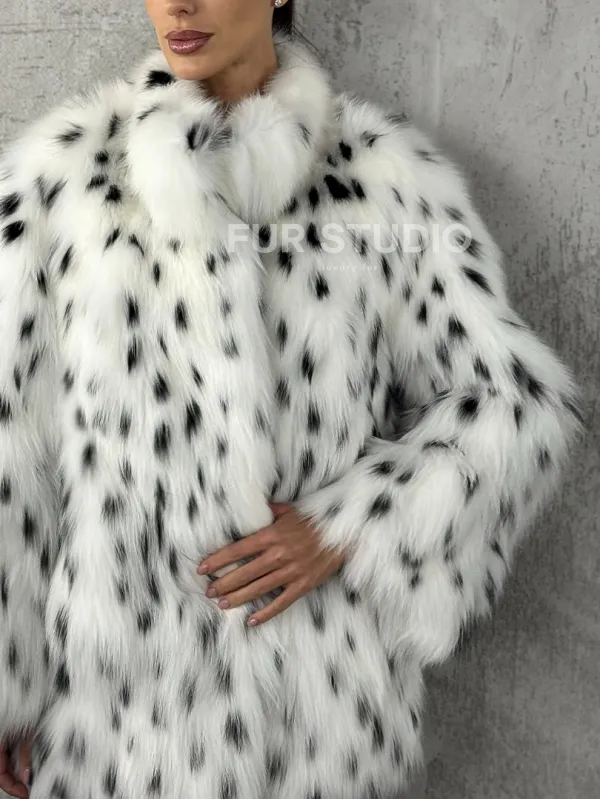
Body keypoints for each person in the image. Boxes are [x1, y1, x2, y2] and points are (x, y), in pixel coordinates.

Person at [0, 1, 581, 797]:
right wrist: (9, 689)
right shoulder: (60, 181)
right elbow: (9, 454)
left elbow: (517, 404)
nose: (179, 5)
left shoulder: (383, 180)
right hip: (120, 723)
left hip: (314, 719)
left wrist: (352, 523)